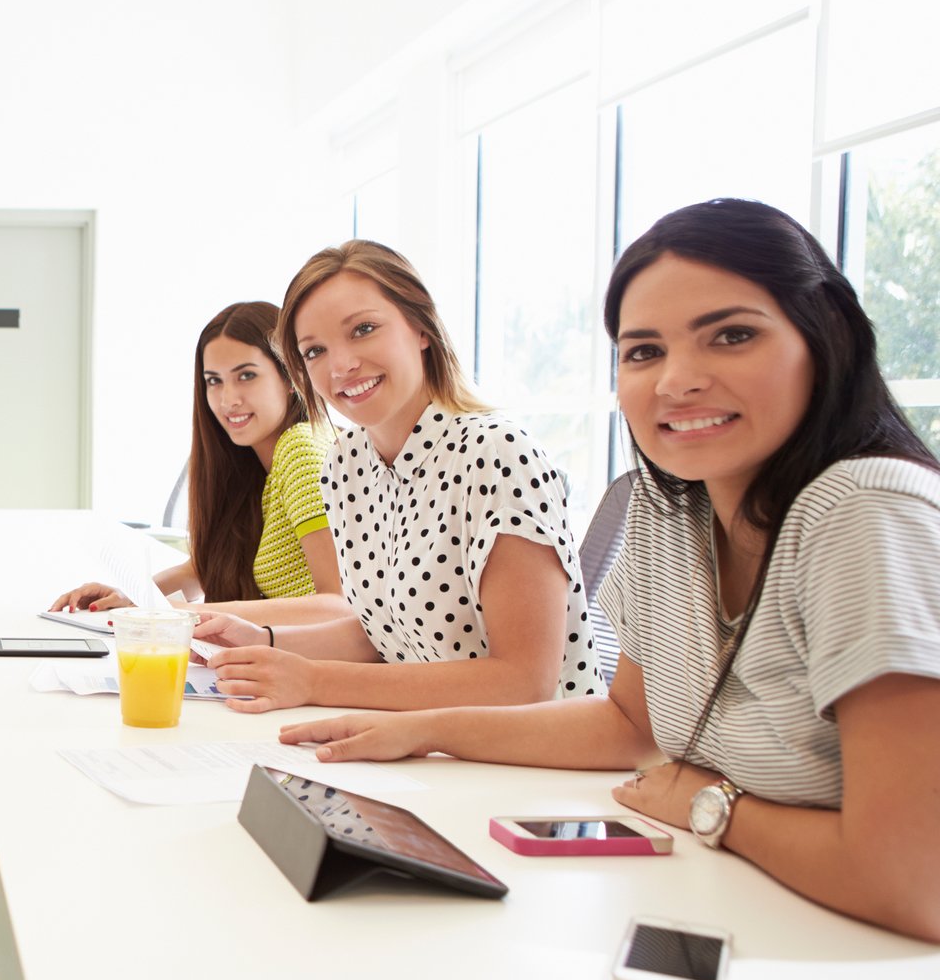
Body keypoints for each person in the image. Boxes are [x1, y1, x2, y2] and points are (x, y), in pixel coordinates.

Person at [280, 200, 940, 941]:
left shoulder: (866, 512)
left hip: (871, 963)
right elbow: (630, 725)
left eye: (733, 335)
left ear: (826, 338)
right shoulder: (672, 507)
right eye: (644, 351)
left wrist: (712, 804)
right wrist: (419, 730)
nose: (678, 380)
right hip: (734, 902)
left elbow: (908, 882)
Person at [194, 240, 600, 710]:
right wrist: (263, 639)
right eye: (314, 351)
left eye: (363, 329)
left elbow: (525, 680)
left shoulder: (495, 453)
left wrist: (316, 682)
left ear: (421, 327)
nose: (341, 365)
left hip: (529, 762)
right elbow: (384, 632)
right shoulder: (346, 465)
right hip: (429, 745)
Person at [49, 301, 340, 614]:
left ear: (290, 377)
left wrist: (185, 615)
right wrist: (130, 596)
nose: (228, 400)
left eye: (246, 376)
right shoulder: (255, 463)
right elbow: (204, 570)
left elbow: (335, 604)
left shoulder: (302, 448)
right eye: (214, 381)